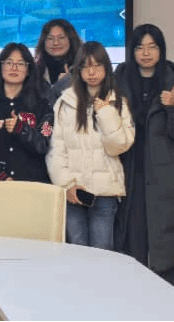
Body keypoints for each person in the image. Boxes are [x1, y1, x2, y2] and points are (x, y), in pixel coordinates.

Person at [114, 24, 174, 286]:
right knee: (131, 246)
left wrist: (173, 108)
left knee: (164, 248)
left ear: (161, 50)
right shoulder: (119, 81)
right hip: (130, 175)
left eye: (152, 47)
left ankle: (166, 304)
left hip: (164, 177)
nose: (146, 53)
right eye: (140, 47)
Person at [46, 41, 134, 249]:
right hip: (73, 192)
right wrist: (67, 185)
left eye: (97, 65)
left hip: (105, 193)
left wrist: (106, 113)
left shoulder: (117, 102)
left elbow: (119, 146)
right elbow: (55, 149)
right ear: (78, 70)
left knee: (102, 252)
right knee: (77, 250)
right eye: (85, 67)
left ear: (106, 67)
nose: (91, 72)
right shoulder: (65, 102)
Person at [0, 42, 53, 185]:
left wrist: (21, 128)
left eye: (20, 63)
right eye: (9, 62)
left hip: (32, 185)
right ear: (0, 67)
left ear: (28, 70)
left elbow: (44, 145)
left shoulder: (42, 106)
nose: (14, 68)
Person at [34, 18, 82, 105]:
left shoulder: (83, 69)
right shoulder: (35, 72)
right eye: (50, 38)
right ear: (43, 42)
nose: (56, 43)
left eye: (61, 38)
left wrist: (66, 83)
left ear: (71, 40)